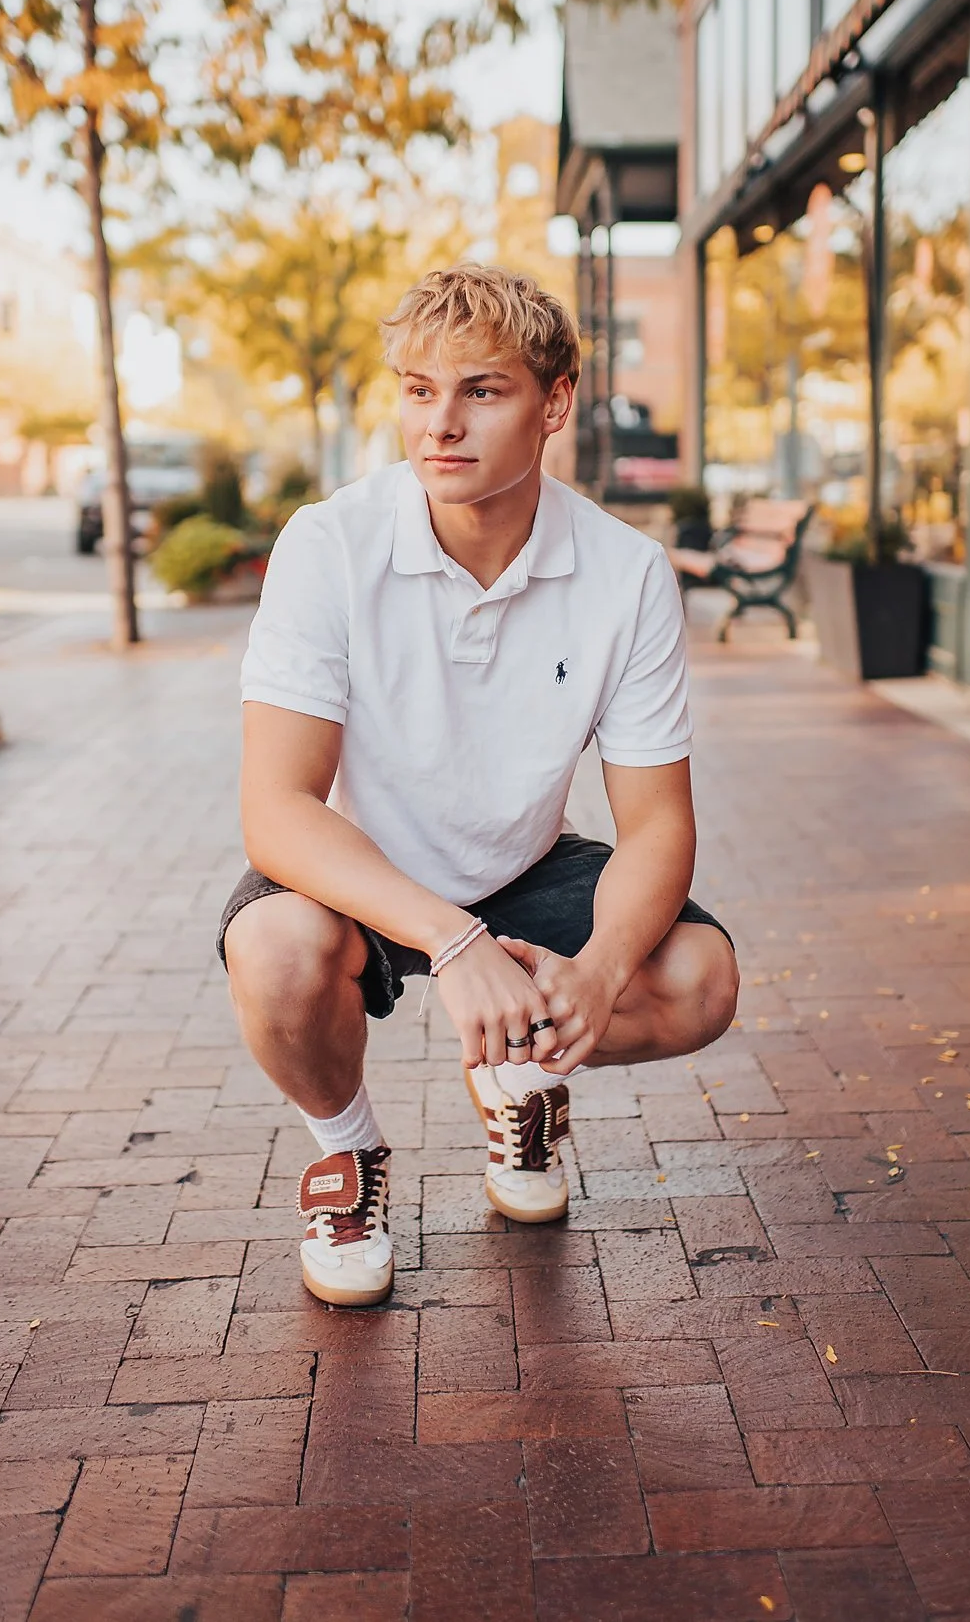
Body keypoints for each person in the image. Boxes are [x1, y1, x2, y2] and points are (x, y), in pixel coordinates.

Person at [218, 265, 738, 1306]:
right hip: (362, 874)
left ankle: (522, 1083)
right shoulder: (330, 544)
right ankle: (349, 1156)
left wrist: (593, 972)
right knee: (272, 953)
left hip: (523, 860)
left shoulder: (623, 573)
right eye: (417, 389)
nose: (438, 424)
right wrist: (451, 942)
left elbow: (655, 825)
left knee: (695, 979)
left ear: (553, 403)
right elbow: (276, 809)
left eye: (480, 391)